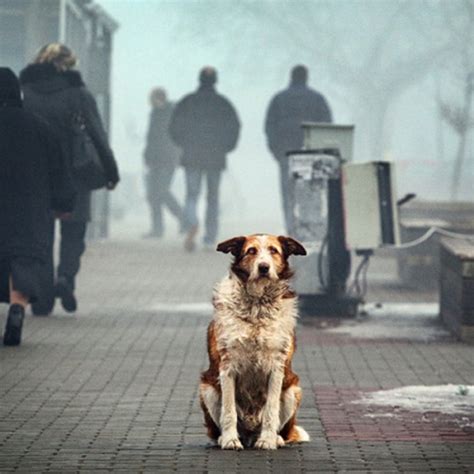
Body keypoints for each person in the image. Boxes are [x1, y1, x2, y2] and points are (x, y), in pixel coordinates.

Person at [19, 43, 120, 314]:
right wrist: (110, 171)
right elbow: (98, 135)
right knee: (74, 232)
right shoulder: (78, 94)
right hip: (76, 173)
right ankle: (65, 277)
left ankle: (42, 298)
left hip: (37, 176)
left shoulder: (25, 92)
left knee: (41, 235)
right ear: (69, 64)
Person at [0, 68, 75, 345]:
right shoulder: (39, 126)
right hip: (29, 210)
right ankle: (17, 308)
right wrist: (64, 203)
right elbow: (60, 169)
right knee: (23, 260)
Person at [169, 67, 240, 251]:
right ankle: (210, 236)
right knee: (213, 197)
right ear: (215, 81)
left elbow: (174, 126)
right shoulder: (223, 104)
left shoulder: (187, 102)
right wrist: (227, 147)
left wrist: (183, 143)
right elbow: (234, 127)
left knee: (192, 194)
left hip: (192, 155)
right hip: (215, 157)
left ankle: (192, 222)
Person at [264, 65, 333, 234]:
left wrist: (275, 150)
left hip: (285, 153)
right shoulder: (317, 99)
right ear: (306, 77)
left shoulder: (278, 99)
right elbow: (328, 126)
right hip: (312, 154)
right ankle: (311, 229)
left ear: (291, 77)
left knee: (288, 195)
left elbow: (269, 127)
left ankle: (291, 229)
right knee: (313, 192)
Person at [143, 87, 182, 238]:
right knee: (153, 195)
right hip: (155, 160)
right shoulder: (155, 113)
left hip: (167, 160)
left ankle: (184, 219)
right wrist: (147, 156)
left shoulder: (172, 113)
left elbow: (171, 138)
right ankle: (157, 229)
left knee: (162, 191)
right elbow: (151, 138)